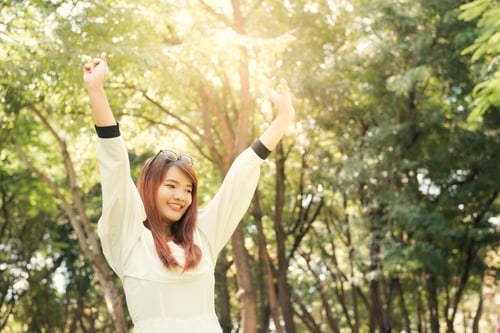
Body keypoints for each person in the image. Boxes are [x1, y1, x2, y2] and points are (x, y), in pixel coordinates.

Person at [83, 55, 294, 332]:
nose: (181, 196)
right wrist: (96, 91)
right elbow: (115, 168)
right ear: (149, 188)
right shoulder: (128, 240)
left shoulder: (203, 236)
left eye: (188, 190)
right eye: (171, 186)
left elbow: (240, 177)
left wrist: (283, 120)